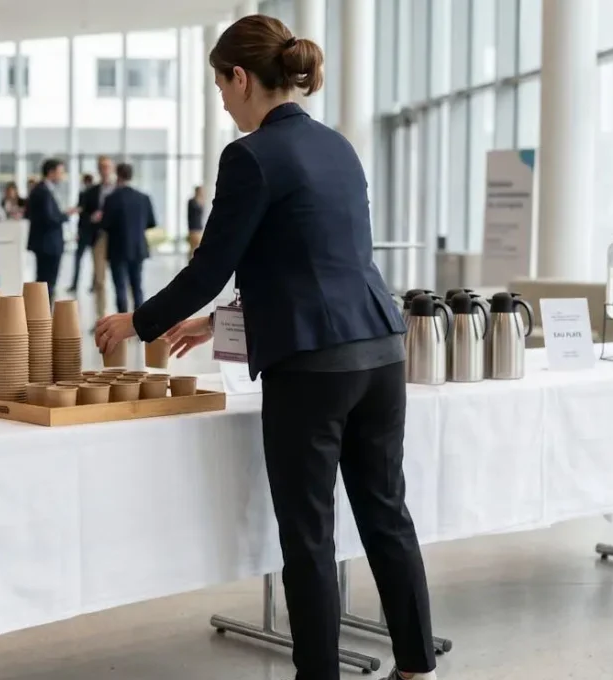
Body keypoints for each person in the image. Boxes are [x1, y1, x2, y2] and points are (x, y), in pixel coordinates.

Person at [94, 15, 436, 680]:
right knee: (387, 515)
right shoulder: (339, 146)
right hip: (381, 353)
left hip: (313, 371)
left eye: (220, 84)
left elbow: (207, 268)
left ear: (241, 77)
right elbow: (323, 259)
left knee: (309, 538)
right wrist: (226, 319)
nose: (221, 99)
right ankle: (417, 667)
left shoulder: (247, 155)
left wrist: (135, 323)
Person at [98, 163, 156, 313]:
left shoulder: (111, 198)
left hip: (117, 249)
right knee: (137, 285)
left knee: (120, 287)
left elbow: (105, 224)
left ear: (118, 175)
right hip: (138, 248)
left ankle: (121, 321)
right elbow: (151, 222)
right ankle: (139, 323)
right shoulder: (143, 198)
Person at [25, 159, 79, 296]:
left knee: (45, 282)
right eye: (60, 172)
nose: (62, 176)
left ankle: (43, 313)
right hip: (48, 244)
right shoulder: (42, 191)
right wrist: (66, 215)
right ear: (51, 172)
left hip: (47, 243)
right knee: (47, 283)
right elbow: (49, 218)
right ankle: (43, 314)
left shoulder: (43, 190)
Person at [69, 162, 112, 293]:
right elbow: (84, 214)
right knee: (81, 259)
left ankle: (94, 284)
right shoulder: (88, 193)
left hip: (99, 233)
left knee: (97, 265)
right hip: (86, 232)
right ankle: (76, 284)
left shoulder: (112, 191)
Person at [186, 185, 205, 258]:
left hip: (199, 227)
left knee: (197, 246)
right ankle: (190, 261)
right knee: (193, 247)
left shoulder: (201, 201)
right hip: (193, 227)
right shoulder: (192, 201)